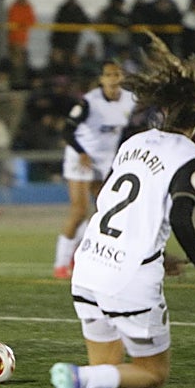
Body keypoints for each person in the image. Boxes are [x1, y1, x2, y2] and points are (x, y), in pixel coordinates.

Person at [5, 32, 195, 388]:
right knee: (151, 375)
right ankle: (76, 380)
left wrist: (159, 254)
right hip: (128, 279)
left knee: (105, 371)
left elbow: (116, 205)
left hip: (90, 265)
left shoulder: (134, 143)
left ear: (161, 109)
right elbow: (181, 216)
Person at [52, 60, 136, 279]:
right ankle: (60, 265)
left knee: (105, 211)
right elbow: (67, 131)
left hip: (105, 161)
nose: (113, 79)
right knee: (80, 211)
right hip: (81, 158)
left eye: (117, 74)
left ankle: (79, 251)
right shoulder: (89, 102)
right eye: (108, 75)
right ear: (101, 79)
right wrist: (82, 152)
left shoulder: (130, 100)